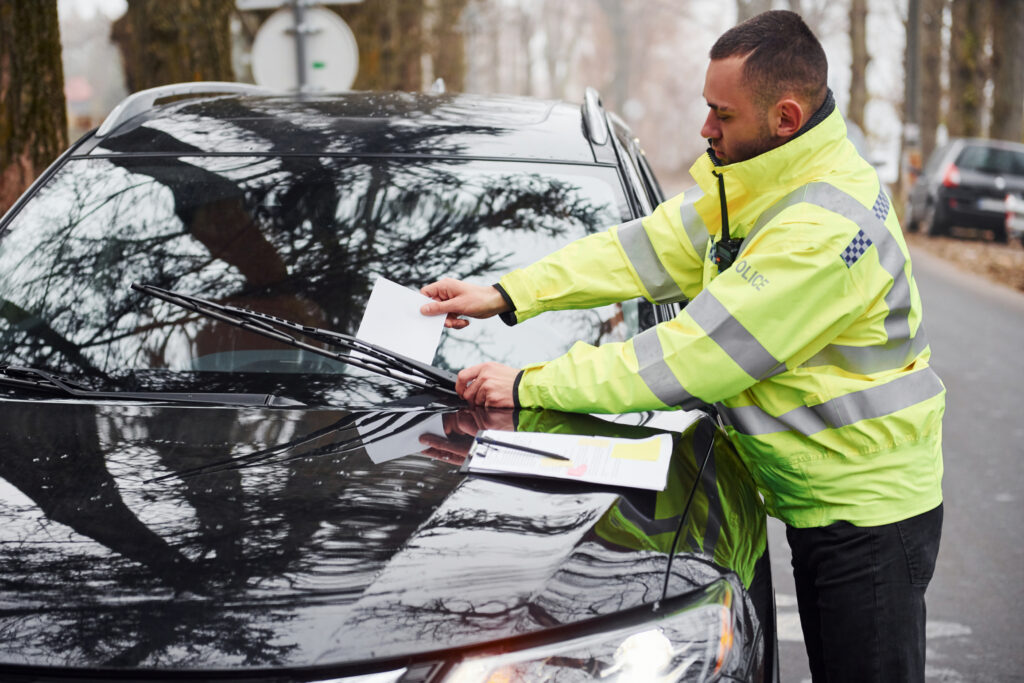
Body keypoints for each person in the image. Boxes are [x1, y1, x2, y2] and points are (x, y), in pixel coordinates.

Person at [420, 10, 943, 682]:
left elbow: (688, 357)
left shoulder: (817, 229)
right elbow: (638, 251)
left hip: (869, 511)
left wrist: (526, 386)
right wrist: (506, 292)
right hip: (828, 494)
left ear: (784, 117)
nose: (705, 129)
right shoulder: (768, 180)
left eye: (720, 114)